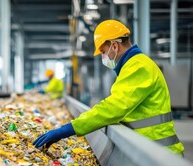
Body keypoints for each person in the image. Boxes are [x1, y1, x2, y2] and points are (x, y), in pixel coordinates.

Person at [33, 19, 184, 156]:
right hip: (151, 150)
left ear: (114, 46)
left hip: (162, 154)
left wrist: (68, 129)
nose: (103, 57)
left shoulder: (138, 67)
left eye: (103, 52)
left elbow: (114, 108)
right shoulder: (132, 66)